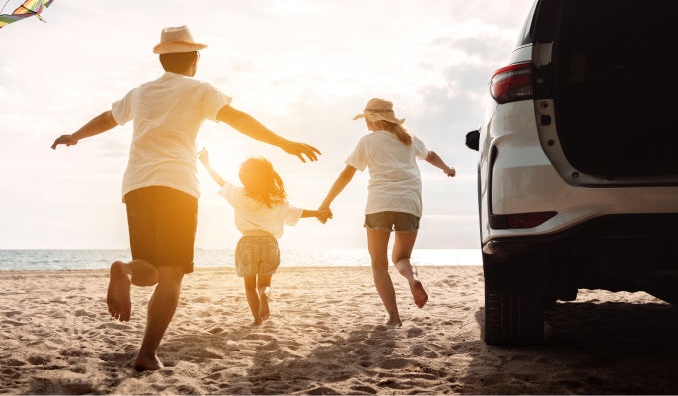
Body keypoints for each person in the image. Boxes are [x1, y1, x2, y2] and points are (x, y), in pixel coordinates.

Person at [51, 25, 320, 371]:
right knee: (171, 274)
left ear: (162, 59)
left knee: (147, 271)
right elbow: (238, 120)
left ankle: (125, 271)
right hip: (177, 186)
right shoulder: (200, 90)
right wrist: (283, 142)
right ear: (194, 59)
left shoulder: (141, 92)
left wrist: (75, 136)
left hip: (137, 185)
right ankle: (146, 354)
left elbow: (107, 118)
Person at [318, 98, 455, 327]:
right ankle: (413, 278)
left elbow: (346, 175)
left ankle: (394, 317)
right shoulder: (409, 139)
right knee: (402, 259)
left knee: (379, 264)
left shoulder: (368, 141)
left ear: (373, 119)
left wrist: (326, 203)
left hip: (379, 205)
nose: (365, 124)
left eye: (366, 119)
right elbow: (430, 155)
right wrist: (447, 169)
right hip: (409, 205)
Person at [198, 148, 329, 325]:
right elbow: (298, 212)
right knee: (263, 285)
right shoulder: (277, 199)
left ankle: (257, 320)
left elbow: (220, 181)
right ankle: (264, 296)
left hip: (247, 243)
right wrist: (318, 213)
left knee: (249, 287)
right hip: (269, 243)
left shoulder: (238, 194)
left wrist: (206, 163)